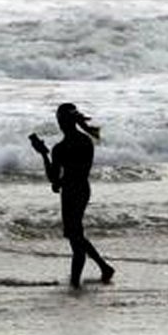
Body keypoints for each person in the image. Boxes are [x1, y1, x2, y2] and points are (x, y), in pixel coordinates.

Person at [29, 103, 115, 289]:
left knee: (75, 238)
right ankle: (102, 268)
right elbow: (79, 172)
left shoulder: (60, 148)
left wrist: (43, 155)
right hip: (82, 189)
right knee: (76, 235)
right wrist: (59, 178)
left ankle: (76, 283)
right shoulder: (85, 141)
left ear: (61, 122)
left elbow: (54, 177)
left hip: (70, 193)